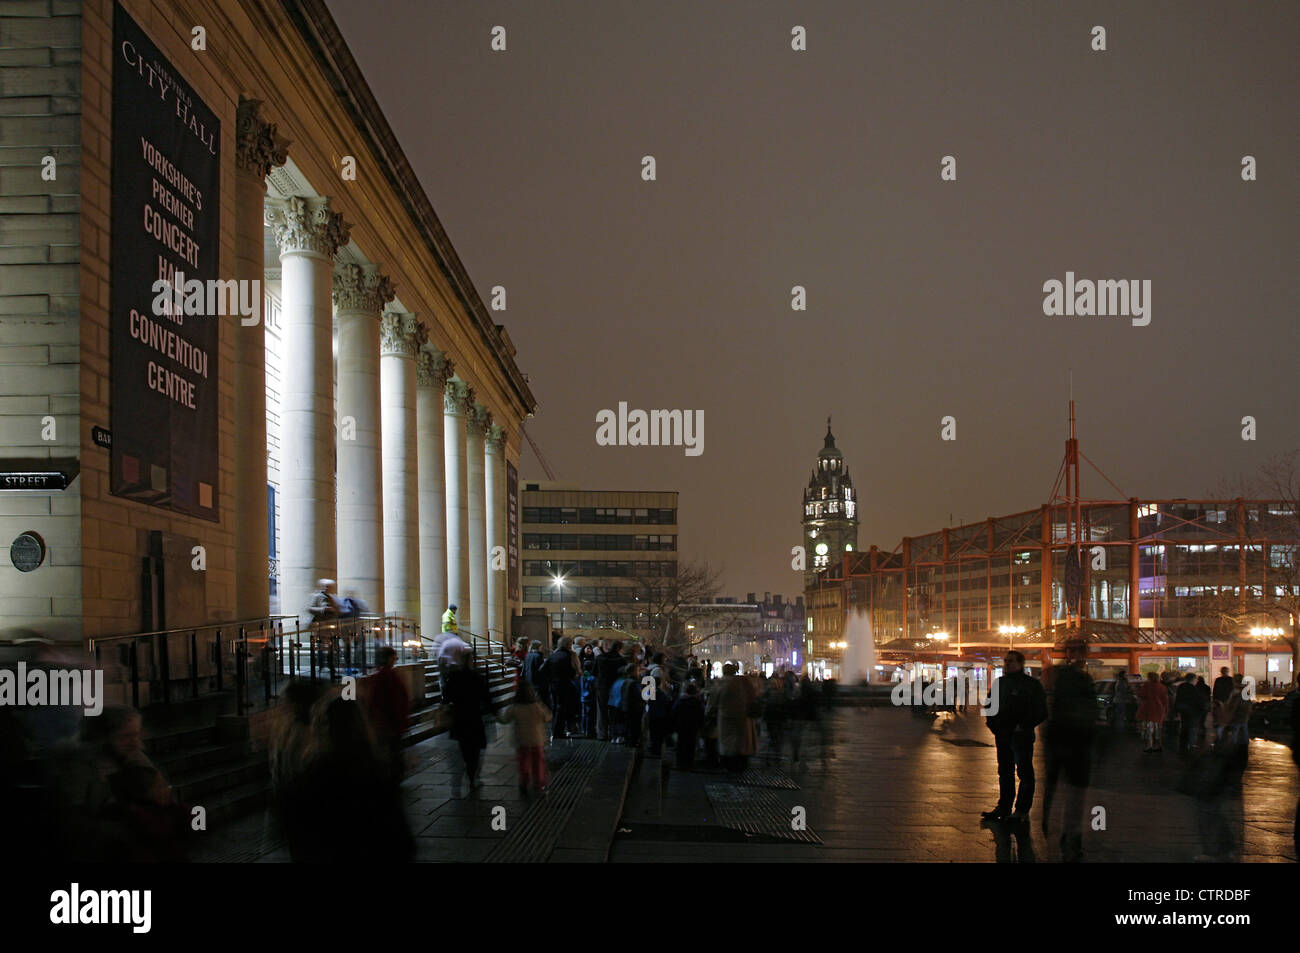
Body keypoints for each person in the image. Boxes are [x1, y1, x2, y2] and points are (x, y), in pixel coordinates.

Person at [1040, 639, 1095, 860]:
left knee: (1071, 792)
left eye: (1079, 650)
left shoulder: (1078, 677)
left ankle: (1068, 834)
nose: (1076, 654)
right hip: (1065, 738)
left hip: (1074, 740)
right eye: (1073, 650)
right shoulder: (1060, 674)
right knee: (1063, 790)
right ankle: (1060, 832)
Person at [982, 650, 1047, 823]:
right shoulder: (1000, 683)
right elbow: (989, 705)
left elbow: (1041, 711)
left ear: (1020, 663)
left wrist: (1023, 726)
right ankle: (1004, 806)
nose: (1007, 664)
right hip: (1003, 734)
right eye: (1005, 661)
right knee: (1005, 772)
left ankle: (1021, 810)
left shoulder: (1031, 685)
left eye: (1010, 661)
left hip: (1021, 736)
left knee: (1024, 772)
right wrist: (993, 725)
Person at [444, 652, 494, 788]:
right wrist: (493, 711)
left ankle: (466, 768)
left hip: (459, 715)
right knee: (475, 748)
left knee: (464, 745)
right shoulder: (476, 676)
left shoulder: (454, 676)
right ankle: (472, 775)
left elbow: (446, 696)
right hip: (473, 715)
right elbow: (486, 696)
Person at [497, 681, 552, 797]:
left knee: (524, 764)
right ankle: (539, 783)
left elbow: (504, 719)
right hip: (537, 741)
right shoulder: (537, 706)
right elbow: (547, 717)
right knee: (538, 763)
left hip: (522, 741)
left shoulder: (515, 708)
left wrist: (497, 714)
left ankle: (524, 783)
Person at [366, 646, 410, 783]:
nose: (395, 660)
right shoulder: (387, 676)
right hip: (391, 722)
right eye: (393, 657)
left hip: (388, 722)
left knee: (392, 751)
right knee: (393, 752)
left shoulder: (384, 675)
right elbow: (391, 699)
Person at [714, 662, 759, 773]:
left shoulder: (720, 683)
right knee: (742, 741)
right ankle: (742, 762)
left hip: (726, 718)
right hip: (743, 717)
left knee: (728, 743)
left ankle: (730, 765)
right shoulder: (744, 682)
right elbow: (753, 696)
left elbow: (714, 702)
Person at [545, 636, 580, 740]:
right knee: (561, 708)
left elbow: (543, 669)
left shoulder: (553, 655)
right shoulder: (567, 656)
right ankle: (558, 732)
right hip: (564, 685)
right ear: (568, 644)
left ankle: (555, 730)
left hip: (553, 684)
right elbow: (571, 672)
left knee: (556, 708)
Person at [672, 683, 706, 770]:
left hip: (681, 726)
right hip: (693, 727)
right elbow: (701, 714)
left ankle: (680, 762)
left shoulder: (681, 700)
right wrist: (701, 725)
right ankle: (689, 762)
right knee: (691, 745)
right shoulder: (697, 702)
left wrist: (675, 724)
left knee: (681, 744)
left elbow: (674, 712)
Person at [596, 641, 624, 741]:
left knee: (601, 711)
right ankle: (613, 734)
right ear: (619, 648)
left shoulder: (600, 658)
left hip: (602, 686)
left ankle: (602, 734)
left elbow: (594, 672)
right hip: (615, 687)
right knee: (614, 711)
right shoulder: (621, 660)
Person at [1174, 673, 1207, 754]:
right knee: (1192, 727)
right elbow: (1198, 700)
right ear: (1193, 680)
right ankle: (1191, 744)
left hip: (1183, 709)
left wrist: (1176, 709)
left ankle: (1183, 744)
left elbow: (1178, 698)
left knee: (1184, 726)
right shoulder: (1193, 688)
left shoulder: (1181, 687)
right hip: (1192, 710)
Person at [1136, 671, 1169, 752]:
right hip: (1159, 709)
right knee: (1158, 728)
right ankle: (1158, 744)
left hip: (1148, 709)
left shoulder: (1146, 686)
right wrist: (1166, 710)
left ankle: (1149, 745)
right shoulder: (1162, 687)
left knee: (1149, 729)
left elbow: (1141, 695)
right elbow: (1165, 700)